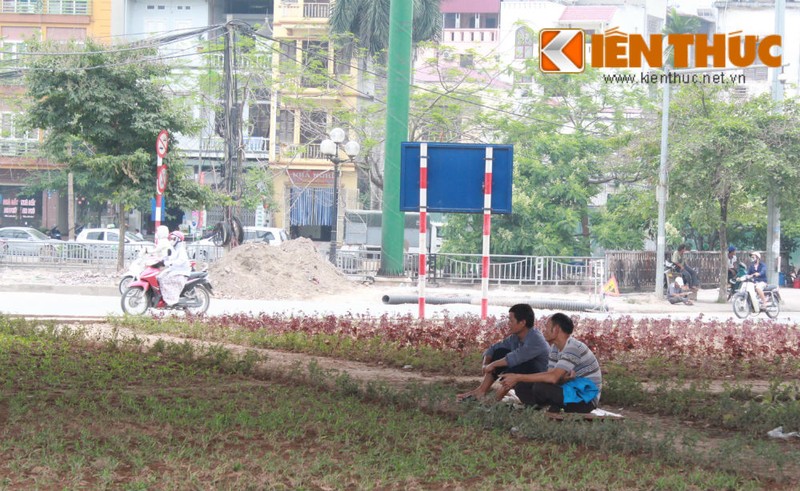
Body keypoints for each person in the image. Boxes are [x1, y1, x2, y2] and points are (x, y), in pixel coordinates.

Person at [499, 313, 602, 414]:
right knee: (522, 386)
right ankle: (539, 410)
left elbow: (552, 377)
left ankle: (549, 408)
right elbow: (551, 377)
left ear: (556, 329)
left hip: (585, 400)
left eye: (547, 327)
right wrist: (562, 379)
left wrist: (517, 377)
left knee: (540, 388)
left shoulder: (573, 347)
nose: (544, 331)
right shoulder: (555, 348)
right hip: (569, 392)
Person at [456, 304, 550, 402]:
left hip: (538, 382)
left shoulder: (536, 339)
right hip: (522, 377)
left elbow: (516, 357)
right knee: (499, 352)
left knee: (519, 365)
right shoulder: (515, 337)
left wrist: (492, 364)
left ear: (522, 323)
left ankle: (494, 400)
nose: (508, 323)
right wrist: (485, 364)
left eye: (511, 320)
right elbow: (493, 349)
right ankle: (481, 391)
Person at [157, 231, 192, 306]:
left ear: (178, 239)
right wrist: (161, 260)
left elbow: (181, 261)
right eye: (170, 239)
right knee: (159, 277)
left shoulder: (181, 249)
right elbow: (168, 257)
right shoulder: (173, 248)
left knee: (165, 280)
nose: (171, 240)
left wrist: (170, 263)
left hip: (181, 272)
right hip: (174, 270)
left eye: (173, 239)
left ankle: (171, 299)